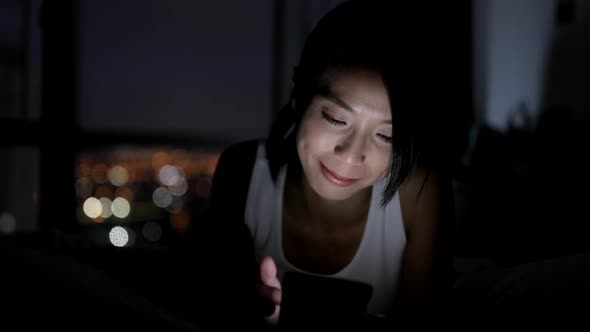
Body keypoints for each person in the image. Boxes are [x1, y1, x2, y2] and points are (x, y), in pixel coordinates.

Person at [191, 1, 455, 330]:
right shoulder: (243, 171)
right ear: (298, 95)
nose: (350, 155)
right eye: (335, 118)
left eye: (386, 136)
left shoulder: (418, 191)